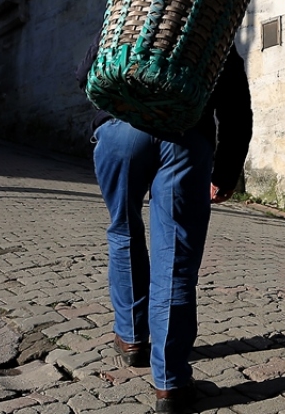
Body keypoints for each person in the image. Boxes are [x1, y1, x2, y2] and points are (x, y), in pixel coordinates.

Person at [79, 39, 252, 414]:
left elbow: (86, 75)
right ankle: (170, 383)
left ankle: (131, 339)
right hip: (185, 138)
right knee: (174, 259)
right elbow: (237, 110)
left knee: (123, 232)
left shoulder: (129, 20)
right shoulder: (213, 31)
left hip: (121, 131)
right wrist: (225, 172)